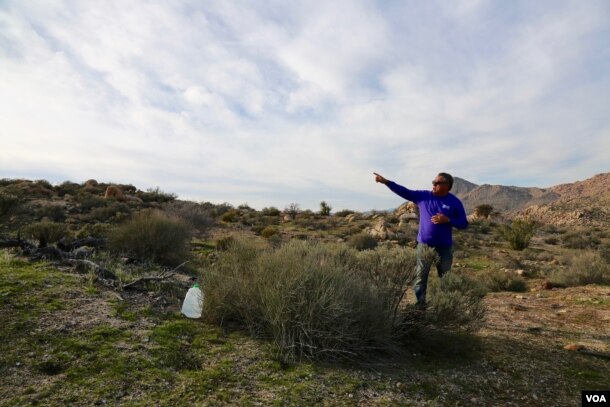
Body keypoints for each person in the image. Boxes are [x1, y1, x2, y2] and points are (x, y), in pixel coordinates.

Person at [374, 172, 468, 308]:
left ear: (447, 186)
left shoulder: (454, 202)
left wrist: (448, 220)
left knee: (445, 278)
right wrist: (387, 182)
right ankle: (420, 306)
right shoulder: (423, 196)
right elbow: (404, 192)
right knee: (420, 278)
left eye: (437, 183)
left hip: (444, 247)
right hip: (424, 245)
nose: (433, 184)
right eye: (433, 182)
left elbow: (463, 224)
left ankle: (444, 306)